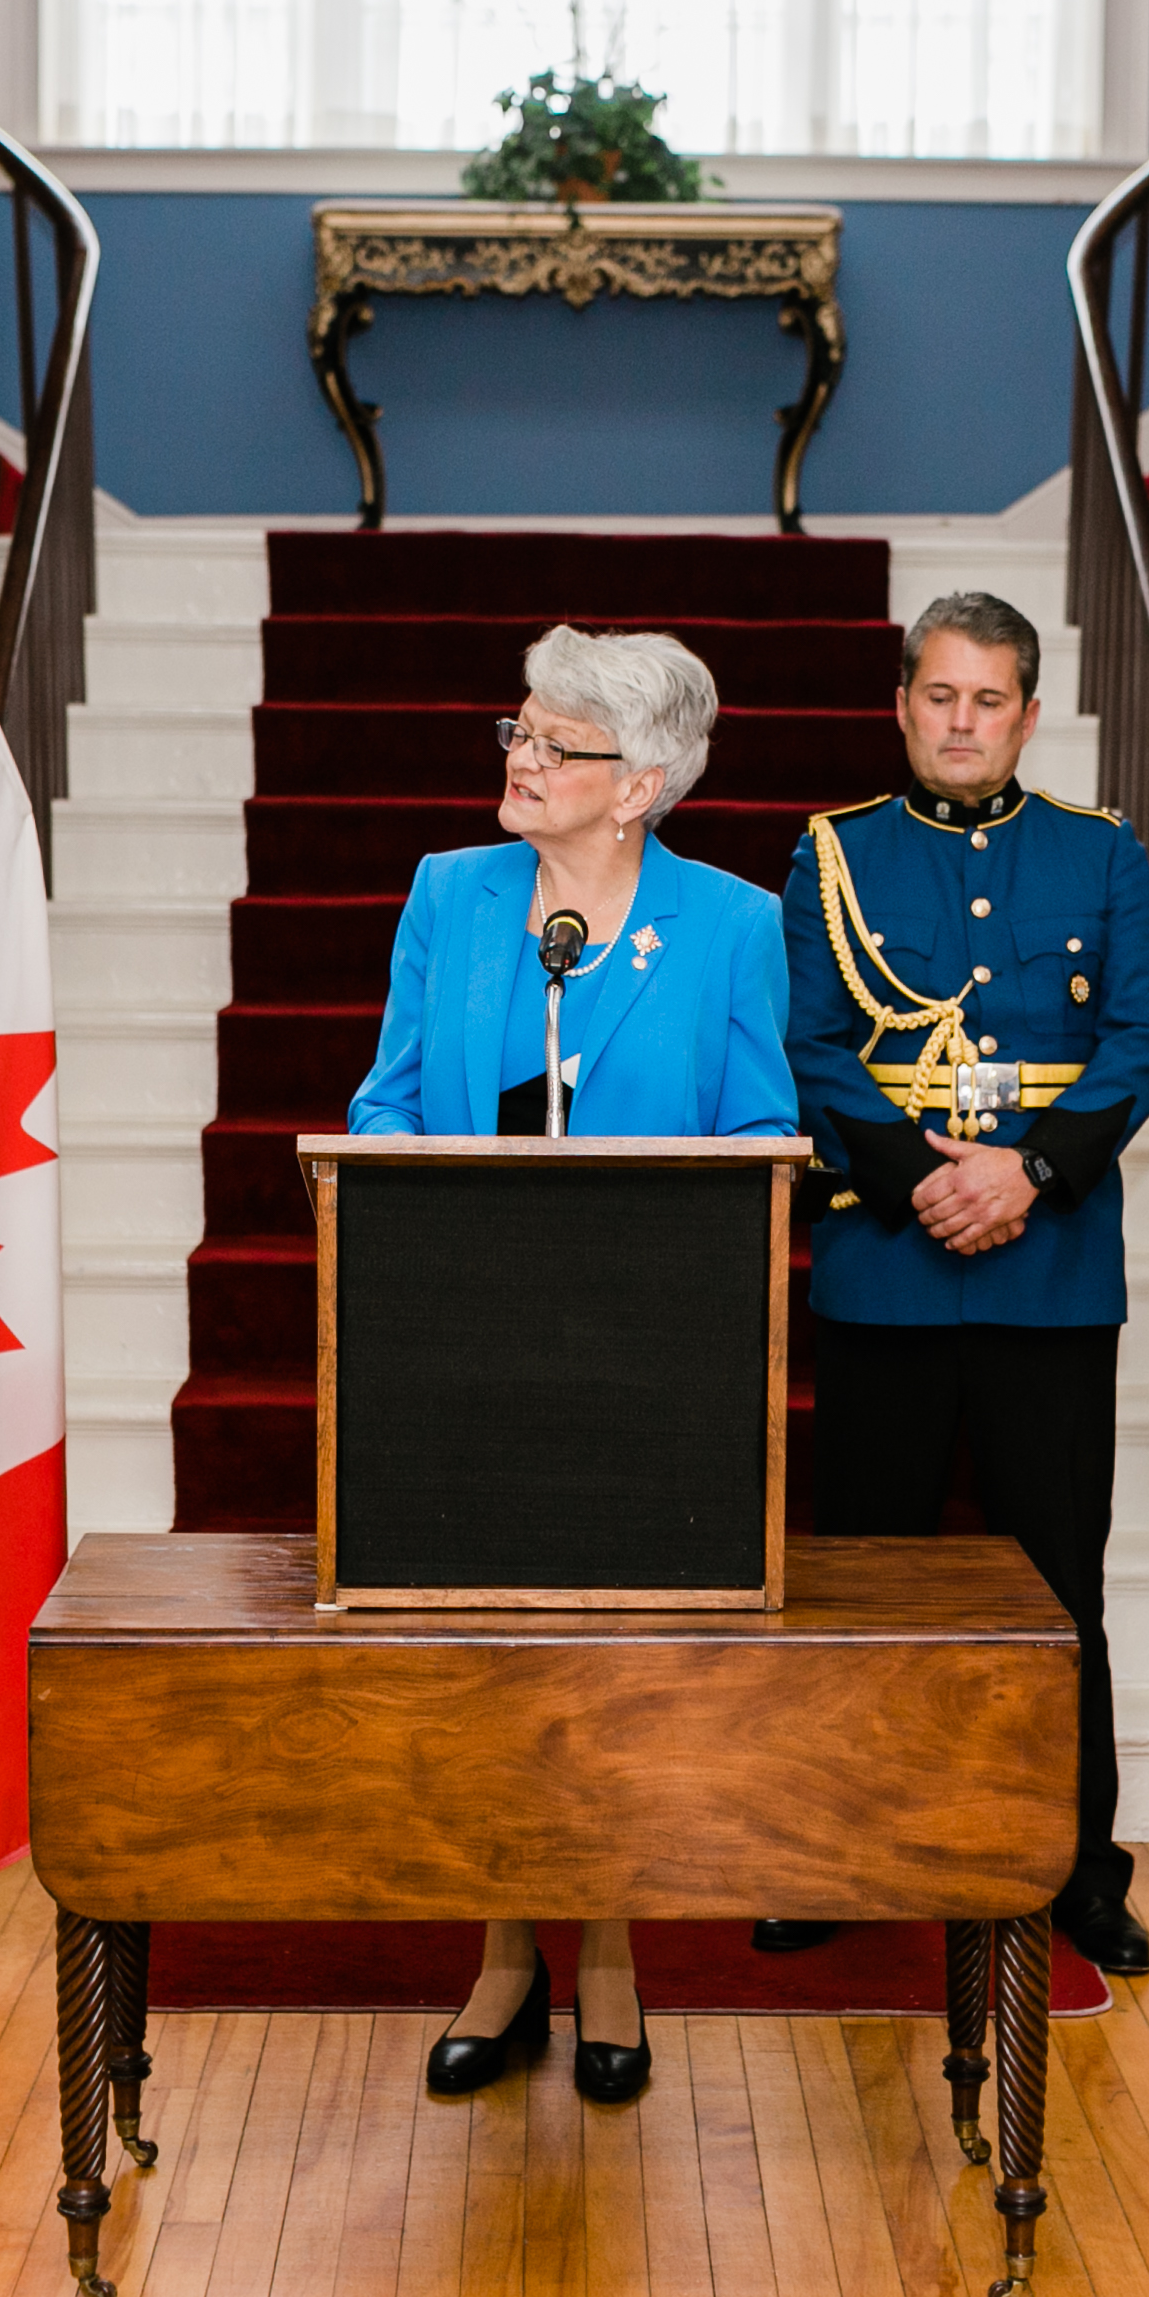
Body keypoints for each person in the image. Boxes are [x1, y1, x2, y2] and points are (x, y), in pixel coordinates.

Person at [347, 621, 797, 2102]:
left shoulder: (729, 921)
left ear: (642, 781)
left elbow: (755, 1131)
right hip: (464, 1342)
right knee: (490, 1659)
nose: (521, 760)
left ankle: (606, 1954)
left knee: (612, 1670)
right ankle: (500, 1950)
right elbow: (393, 1098)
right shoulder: (452, 896)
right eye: (518, 733)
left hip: (641, 1357)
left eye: (557, 745)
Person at [764, 591, 1149, 1977]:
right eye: (938, 697)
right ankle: (838, 1852)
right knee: (861, 1585)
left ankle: (1073, 1870)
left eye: (986, 699)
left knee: (1060, 1586)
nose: (959, 721)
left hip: (1050, 1272)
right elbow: (811, 1045)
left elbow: (1144, 1034)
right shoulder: (832, 858)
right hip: (884, 1267)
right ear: (901, 706)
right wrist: (913, 1181)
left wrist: (1028, 1175)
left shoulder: (1101, 856)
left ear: (1026, 710)